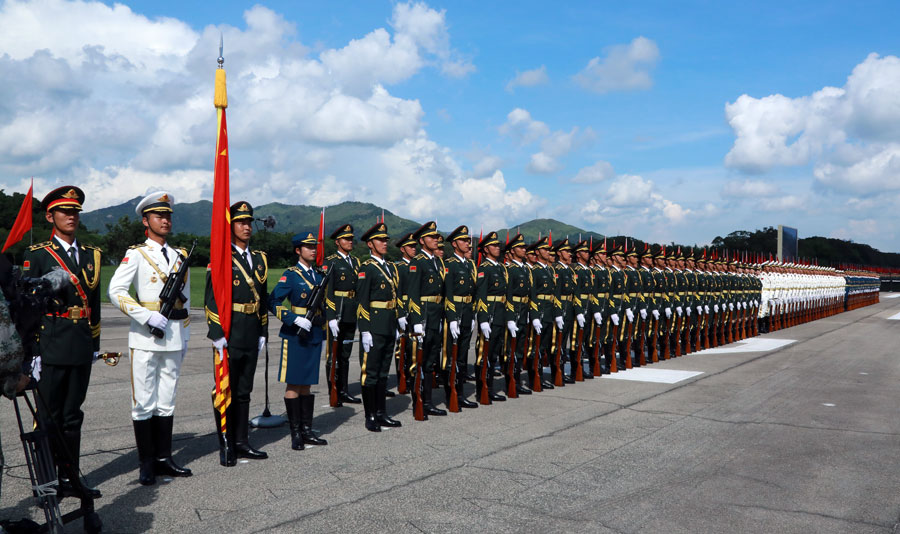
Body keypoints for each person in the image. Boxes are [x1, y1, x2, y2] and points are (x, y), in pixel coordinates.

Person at [22, 186, 103, 498]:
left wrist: (94, 344)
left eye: (75, 211)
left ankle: (70, 478)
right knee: (47, 416)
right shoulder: (38, 255)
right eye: (64, 211)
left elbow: (93, 305)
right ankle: (47, 484)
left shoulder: (92, 256)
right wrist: (32, 351)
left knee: (72, 416)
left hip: (80, 343)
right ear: (50, 216)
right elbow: (28, 307)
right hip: (51, 343)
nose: (71, 216)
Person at [108, 191, 191, 486]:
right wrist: (145, 315)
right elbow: (115, 291)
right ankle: (146, 463)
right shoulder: (137, 254)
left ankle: (164, 458)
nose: (165, 220)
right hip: (145, 336)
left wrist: (186, 337)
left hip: (173, 336)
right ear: (146, 221)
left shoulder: (181, 255)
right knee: (143, 402)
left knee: (166, 400)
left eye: (168, 215)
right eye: (159, 216)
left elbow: (185, 304)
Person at [204, 201, 269, 465]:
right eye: (241, 222)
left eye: (249, 222)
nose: (246, 227)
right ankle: (226, 443)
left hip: (251, 330)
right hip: (229, 331)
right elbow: (211, 299)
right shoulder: (220, 258)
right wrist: (216, 332)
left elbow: (262, 297)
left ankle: (242, 441)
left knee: (244, 390)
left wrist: (263, 329)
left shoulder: (261, 258)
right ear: (230, 227)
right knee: (225, 390)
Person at [267, 232, 329, 450]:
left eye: (314, 246)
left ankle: (307, 429)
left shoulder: (320, 276)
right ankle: (295, 433)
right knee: (294, 382)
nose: (313, 250)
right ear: (298, 250)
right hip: (296, 334)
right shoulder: (291, 275)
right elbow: (273, 301)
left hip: (314, 333)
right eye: (308, 246)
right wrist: (294, 319)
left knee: (307, 383)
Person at [355, 222, 404, 431]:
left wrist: (399, 317)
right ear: (370, 244)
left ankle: (382, 413)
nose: (384, 243)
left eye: (385, 239)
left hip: (389, 324)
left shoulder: (391, 267)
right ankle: (370, 416)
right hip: (374, 327)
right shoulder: (367, 268)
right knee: (371, 373)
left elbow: (398, 296)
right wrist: (365, 329)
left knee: (384, 371)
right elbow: (362, 301)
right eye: (380, 240)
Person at [406, 221, 447, 418]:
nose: (436, 240)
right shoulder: (417, 262)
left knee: (431, 361)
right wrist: (416, 321)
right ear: (422, 240)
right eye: (432, 237)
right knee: (419, 361)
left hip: (436, 315)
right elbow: (413, 294)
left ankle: (428, 401)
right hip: (423, 316)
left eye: (437, 237)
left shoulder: (437, 262)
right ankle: (418, 402)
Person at [324, 224, 362, 406]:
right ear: (338, 242)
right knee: (333, 353)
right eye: (346, 239)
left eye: (351, 239)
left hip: (351, 312)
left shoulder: (355, 262)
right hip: (337, 313)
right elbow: (328, 292)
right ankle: (333, 389)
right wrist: (331, 317)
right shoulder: (330, 262)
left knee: (345, 354)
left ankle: (344, 389)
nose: (350, 242)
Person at [442, 225, 478, 409]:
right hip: (454, 314)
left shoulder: (470, 264)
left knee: (463, 356)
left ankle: (460, 392)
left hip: (467, 313)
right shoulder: (449, 264)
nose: (468, 243)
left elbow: (474, 291)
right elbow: (448, 294)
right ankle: (451, 395)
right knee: (451, 356)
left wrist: (472, 314)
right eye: (464, 240)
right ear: (455, 243)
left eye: (468, 240)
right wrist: (453, 317)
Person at [474, 231, 511, 403]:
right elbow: (481, 296)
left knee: (494, 354)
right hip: (490, 314)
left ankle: (490, 388)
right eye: (494, 246)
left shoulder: (501, 268)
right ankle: (482, 389)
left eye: (498, 245)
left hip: (500, 314)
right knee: (484, 354)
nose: (498, 248)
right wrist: (483, 319)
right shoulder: (484, 268)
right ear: (486, 249)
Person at [505, 234, 532, 394]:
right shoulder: (510, 270)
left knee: (520, 348)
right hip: (514, 311)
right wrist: (510, 317)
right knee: (511, 349)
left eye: (524, 247)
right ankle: (510, 383)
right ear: (513, 250)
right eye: (521, 247)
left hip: (524, 311)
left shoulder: (526, 269)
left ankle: (517, 380)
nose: (524, 250)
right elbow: (508, 295)